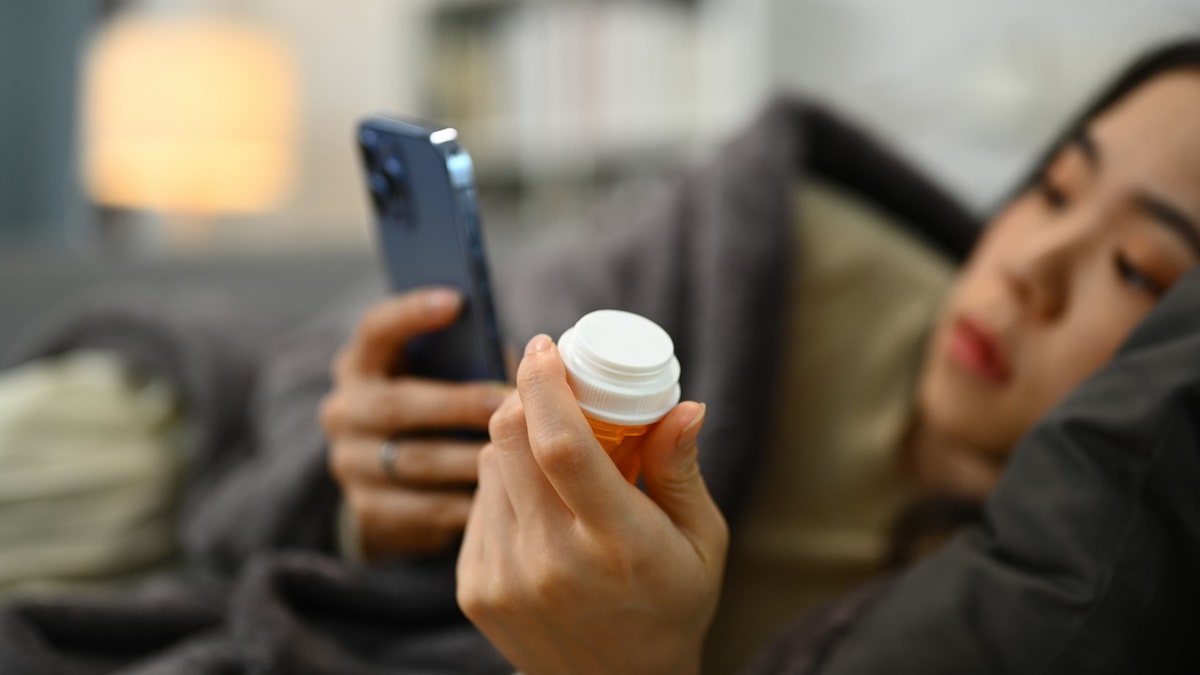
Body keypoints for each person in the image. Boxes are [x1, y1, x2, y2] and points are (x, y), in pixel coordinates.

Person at [323, 40, 1200, 673]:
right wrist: (368, 494)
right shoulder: (774, 241)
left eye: (1136, 270)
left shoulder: (1028, 604)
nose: (1030, 268)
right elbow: (305, 375)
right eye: (1054, 189)